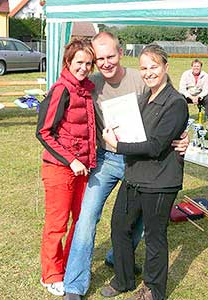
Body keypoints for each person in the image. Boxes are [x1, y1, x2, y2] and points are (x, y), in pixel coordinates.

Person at [63, 32, 189, 300]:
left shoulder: (140, 80)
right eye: (100, 59)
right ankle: (75, 284)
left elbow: (166, 115)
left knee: (142, 224)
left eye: (110, 56)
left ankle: (125, 267)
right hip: (111, 159)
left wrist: (182, 136)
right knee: (90, 217)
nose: (105, 63)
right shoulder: (91, 83)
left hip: (143, 164)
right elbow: (67, 105)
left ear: (120, 53)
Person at [101, 44, 189, 300]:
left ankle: (153, 289)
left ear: (165, 68)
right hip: (135, 175)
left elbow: (156, 146)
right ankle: (124, 278)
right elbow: (133, 131)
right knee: (119, 226)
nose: (149, 72)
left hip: (160, 181)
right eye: (144, 68)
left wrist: (118, 145)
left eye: (154, 67)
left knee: (154, 236)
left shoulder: (175, 103)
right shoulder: (142, 99)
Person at [36, 39, 96, 296]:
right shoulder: (61, 89)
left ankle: (70, 267)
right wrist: (70, 159)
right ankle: (50, 274)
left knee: (80, 222)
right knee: (57, 224)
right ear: (68, 62)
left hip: (83, 169)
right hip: (60, 169)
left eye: (88, 63)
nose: (83, 68)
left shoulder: (87, 89)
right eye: (79, 62)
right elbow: (44, 132)